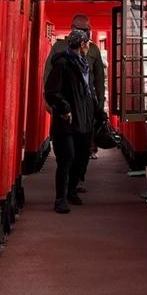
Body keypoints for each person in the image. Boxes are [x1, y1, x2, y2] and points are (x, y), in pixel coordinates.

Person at [43, 14, 106, 192]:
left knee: (82, 150)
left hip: (85, 107)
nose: (84, 33)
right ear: (71, 28)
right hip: (66, 106)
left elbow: (98, 81)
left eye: (86, 29)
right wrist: (50, 101)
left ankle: (77, 180)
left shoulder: (93, 50)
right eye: (80, 29)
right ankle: (63, 194)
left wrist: (99, 105)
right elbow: (48, 75)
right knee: (66, 153)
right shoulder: (59, 50)